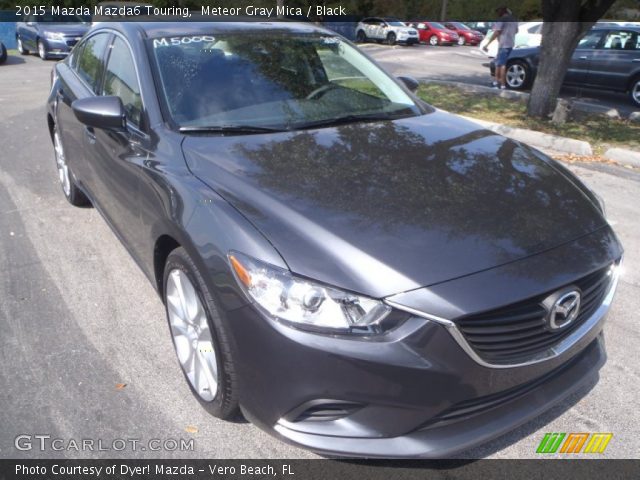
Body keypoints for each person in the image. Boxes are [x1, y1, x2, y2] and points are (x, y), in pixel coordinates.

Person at [483, 6, 518, 89]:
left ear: (502, 11)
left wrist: (487, 44)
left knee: (501, 65)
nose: (497, 13)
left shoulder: (502, 20)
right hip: (510, 44)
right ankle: (496, 82)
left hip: (503, 45)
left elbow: (496, 33)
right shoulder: (514, 20)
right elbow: (516, 31)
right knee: (499, 63)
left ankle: (501, 85)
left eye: (498, 11)